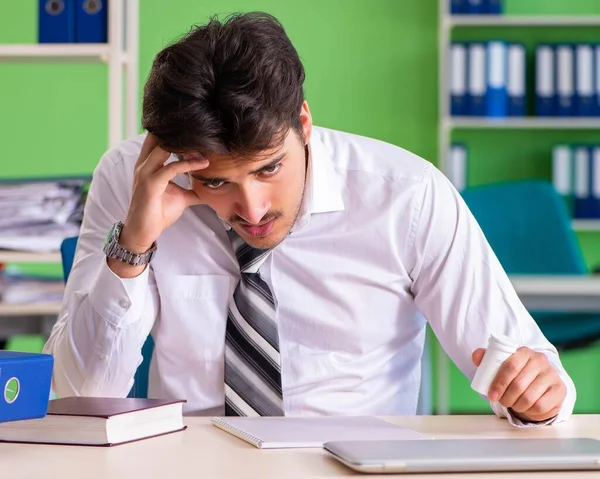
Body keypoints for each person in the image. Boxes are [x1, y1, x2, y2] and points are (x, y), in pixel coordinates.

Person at [44, 12, 574, 424]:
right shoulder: (135, 178)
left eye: (269, 168)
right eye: (216, 182)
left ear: (303, 122)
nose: (251, 210)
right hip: (189, 463)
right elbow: (82, 393)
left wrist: (537, 397)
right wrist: (134, 245)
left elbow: (532, 373)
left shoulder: (407, 196)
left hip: (356, 465)